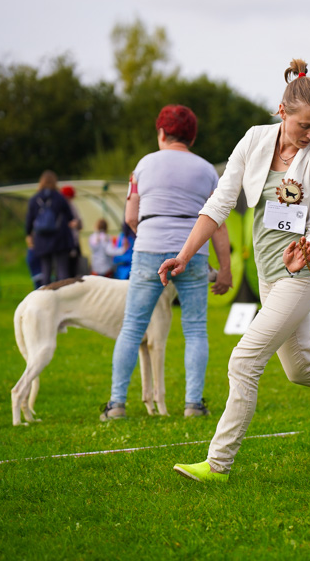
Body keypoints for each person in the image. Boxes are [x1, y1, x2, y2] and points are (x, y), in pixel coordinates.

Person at [159, 59, 310, 483]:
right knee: (302, 369)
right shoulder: (254, 140)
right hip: (270, 276)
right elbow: (219, 203)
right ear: (282, 111)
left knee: (244, 359)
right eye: (305, 126)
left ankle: (218, 464)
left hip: (303, 276)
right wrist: (184, 254)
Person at [100, 104, 233, 421]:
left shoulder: (143, 165)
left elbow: (131, 216)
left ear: (161, 132)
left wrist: (148, 234)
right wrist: (225, 269)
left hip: (149, 250)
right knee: (196, 329)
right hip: (194, 254)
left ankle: (116, 404)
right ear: (193, 136)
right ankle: (193, 405)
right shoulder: (206, 170)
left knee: (132, 328)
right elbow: (218, 223)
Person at [25, 170, 75, 286]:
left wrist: (28, 235)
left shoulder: (34, 199)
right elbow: (70, 217)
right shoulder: (59, 198)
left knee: (45, 271)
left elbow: (29, 220)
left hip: (42, 240)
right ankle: (65, 297)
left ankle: (46, 298)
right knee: (62, 271)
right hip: (60, 238)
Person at [60, 184, 83, 277]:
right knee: (65, 270)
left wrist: (76, 224)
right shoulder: (59, 207)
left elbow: (80, 223)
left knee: (75, 268)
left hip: (74, 241)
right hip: (64, 243)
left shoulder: (73, 207)